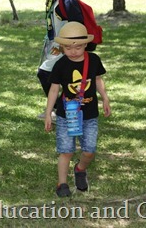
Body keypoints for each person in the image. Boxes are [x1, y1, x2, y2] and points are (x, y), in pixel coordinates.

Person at [44, 22, 111, 197]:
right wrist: (48, 113)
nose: (73, 51)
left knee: (89, 151)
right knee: (66, 150)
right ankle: (62, 184)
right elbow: (53, 89)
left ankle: (80, 169)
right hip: (66, 115)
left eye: (78, 47)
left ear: (85, 45)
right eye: (68, 48)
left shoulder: (94, 60)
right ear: (62, 47)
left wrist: (105, 98)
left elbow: (97, 80)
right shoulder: (60, 64)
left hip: (89, 115)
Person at [35, 0, 84, 120]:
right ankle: (63, 110)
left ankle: (59, 110)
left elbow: (77, 23)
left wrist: (69, 46)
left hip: (66, 47)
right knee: (58, 78)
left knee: (44, 74)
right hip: (56, 46)